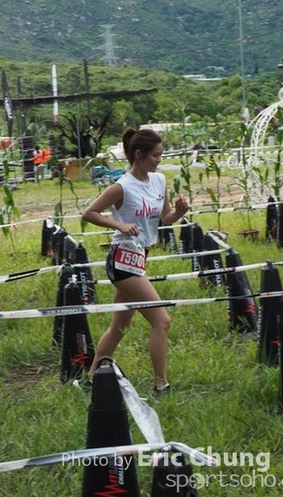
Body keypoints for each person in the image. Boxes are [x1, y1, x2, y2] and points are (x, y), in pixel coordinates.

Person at [81, 127, 189, 394]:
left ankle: (91, 377)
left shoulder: (159, 181)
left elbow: (164, 220)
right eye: (155, 155)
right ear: (139, 155)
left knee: (120, 326)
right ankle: (161, 384)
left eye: (161, 155)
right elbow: (89, 213)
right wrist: (119, 224)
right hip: (122, 259)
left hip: (140, 257)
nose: (159, 160)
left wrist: (179, 212)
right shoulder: (122, 186)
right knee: (162, 321)